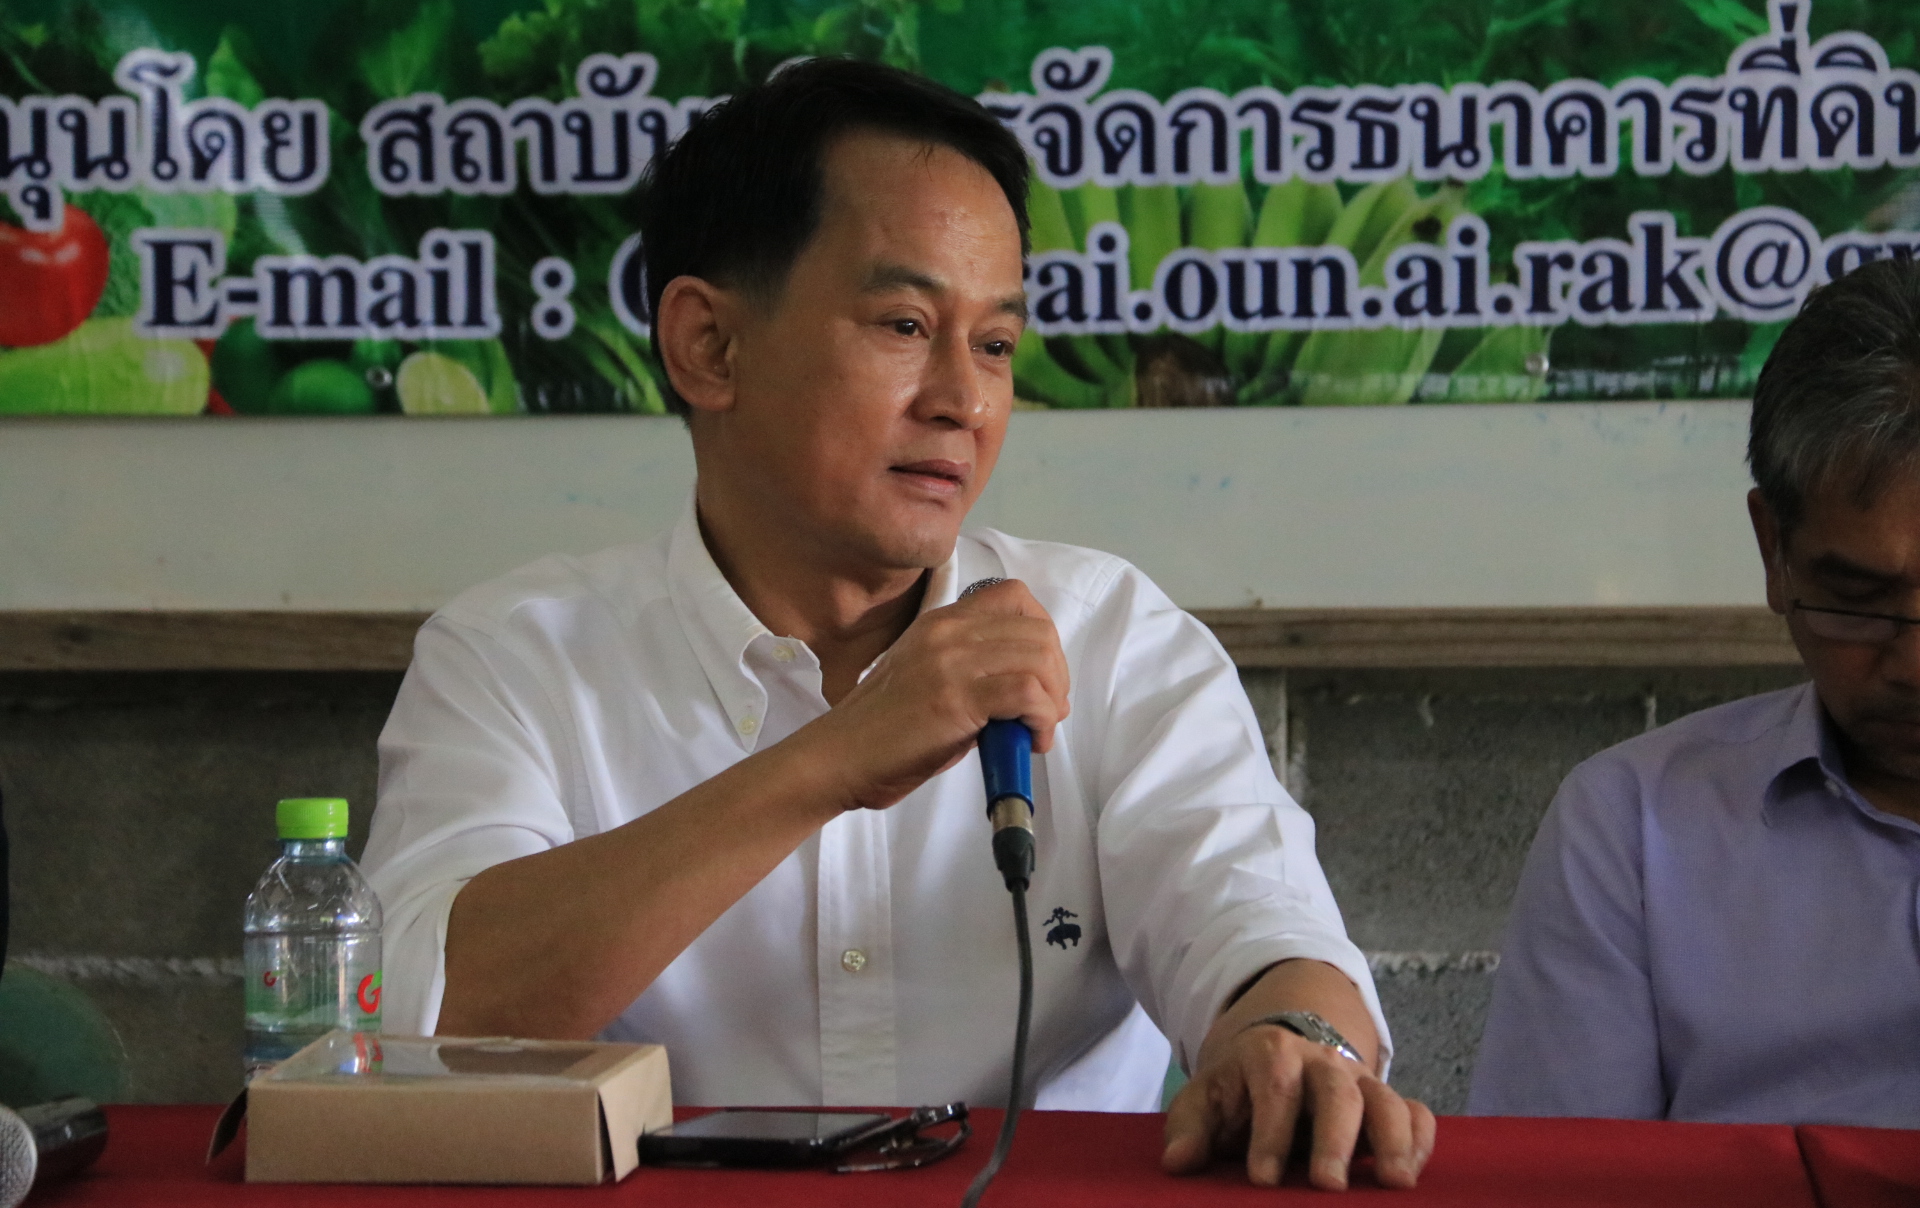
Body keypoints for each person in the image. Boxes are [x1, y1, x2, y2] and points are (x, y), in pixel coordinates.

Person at [361, 57, 1433, 1189]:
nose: (963, 401)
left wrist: (1293, 1043)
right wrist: (831, 760)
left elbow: (1266, 933)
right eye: (905, 324)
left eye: (996, 345)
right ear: (707, 346)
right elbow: (414, 1021)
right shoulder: (514, 657)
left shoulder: (1110, 636)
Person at [1469, 257, 1920, 1125]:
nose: (1912, 665)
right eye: (1858, 601)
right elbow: (1563, 1182)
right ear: (1773, 550)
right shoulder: (1634, 829)